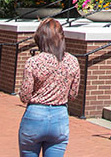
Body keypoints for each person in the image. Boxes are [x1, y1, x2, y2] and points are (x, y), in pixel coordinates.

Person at [18, 17, 80, 157]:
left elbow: (25, 96)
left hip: (35, 116)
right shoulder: (72, 61)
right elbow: (73, 94)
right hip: (60, 117)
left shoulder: (34, 62)